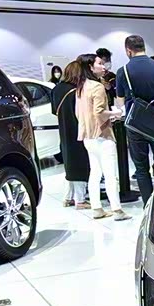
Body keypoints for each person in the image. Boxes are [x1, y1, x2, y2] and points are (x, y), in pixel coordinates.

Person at [115, 34, 154, 206]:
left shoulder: (123, 71)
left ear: (128, 50)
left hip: (136, 125)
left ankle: (148, 205)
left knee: (141, 168)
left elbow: (120, 102)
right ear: (144, 47)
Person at [75, 53, 130, 221]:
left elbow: (79, 113)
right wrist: (115, 113)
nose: (103, 66)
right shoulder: (97, 87)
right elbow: (99, 113)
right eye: (99, 63)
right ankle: (117, 210)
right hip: (102, 135)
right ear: (90, 67)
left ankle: (97, 208)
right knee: (110, 174)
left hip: (87, 135)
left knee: (95, 172)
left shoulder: (81, 87)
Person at [51, 61, 90, 209]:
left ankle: (68, 197)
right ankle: (80, 200)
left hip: (64, 129)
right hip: (78, 129)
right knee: (80, 164)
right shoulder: (77, 91)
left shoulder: (57, 89)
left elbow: (54, 110)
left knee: (69, 164)